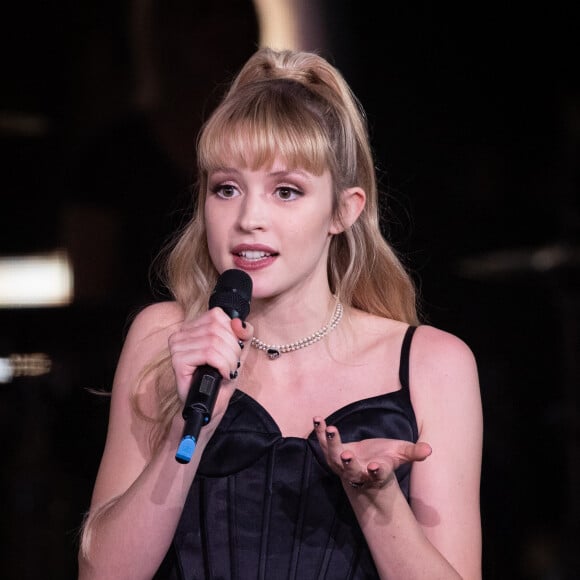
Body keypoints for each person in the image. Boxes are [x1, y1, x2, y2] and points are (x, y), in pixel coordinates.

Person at [77, 46, 483, 579]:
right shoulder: (165, 337)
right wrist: (191, 425)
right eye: (226, 189)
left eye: (286, 191)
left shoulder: (433, 363)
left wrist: (380, 504)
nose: (249, 218)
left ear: (344, 209)